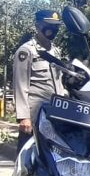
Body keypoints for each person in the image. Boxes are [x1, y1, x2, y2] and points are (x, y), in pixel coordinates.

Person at [12, 9, 65, 150]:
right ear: (37, 25)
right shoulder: (26, 51)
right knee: (27, 155)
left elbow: (59, 83)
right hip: (34, 116)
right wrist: (24, 117)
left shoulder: (56, 52)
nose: (53, 29)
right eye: (49, 24)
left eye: (56, 26)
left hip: (54, 115)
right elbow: (20, 84)